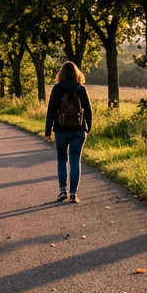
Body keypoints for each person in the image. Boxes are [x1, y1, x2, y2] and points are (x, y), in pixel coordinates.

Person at [45, 61, 93, 203]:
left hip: (61, 129)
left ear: (61, 74)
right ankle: (73, 194)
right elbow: (88, 109)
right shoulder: (81, 88)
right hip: (79, 130)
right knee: (75, 160)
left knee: (61, 159)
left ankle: (62, 191)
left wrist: (48, 130)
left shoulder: (57, 88)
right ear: (76, 73)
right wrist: (88, 126)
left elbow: (51, 111)